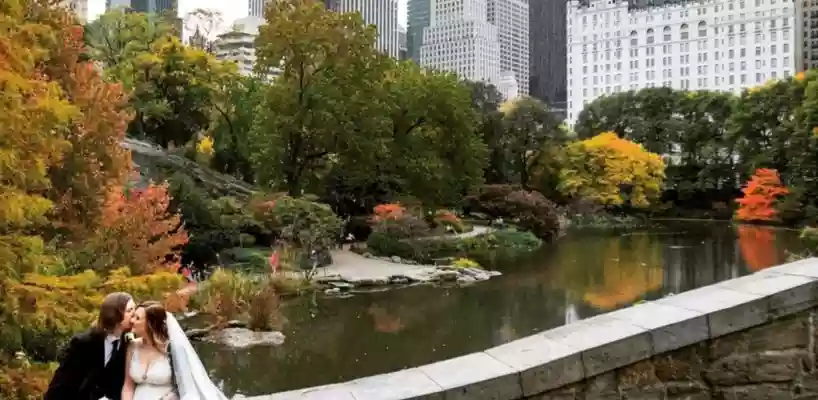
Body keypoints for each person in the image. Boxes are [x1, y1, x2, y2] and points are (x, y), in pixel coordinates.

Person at [123, 301, 228, 400]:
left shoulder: (173, 348)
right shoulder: (133, 346)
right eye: (133, 316)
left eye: (137, 318)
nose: (132, 321)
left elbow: (187, 387)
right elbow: (128, 385)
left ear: (150, 324)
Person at [45, 292, 136, 400]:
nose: (134, 315)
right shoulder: (84, 342)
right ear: (115, 315)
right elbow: (63, 380)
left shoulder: (128, 342)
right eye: (129, 311)